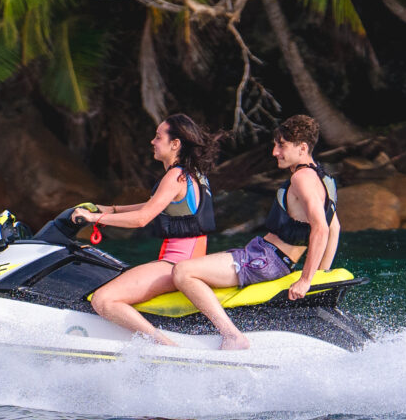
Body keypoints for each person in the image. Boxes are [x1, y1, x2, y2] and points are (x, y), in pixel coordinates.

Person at [169, 115, 339, 351]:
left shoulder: (301, 178)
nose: (274, 152)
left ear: (302, 148)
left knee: (182, 271)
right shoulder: (325, 179)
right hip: (266, 257)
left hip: (265, 260)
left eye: (282, 145)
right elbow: (334, 227)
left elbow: (321, 228)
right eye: (275, 144)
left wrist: (307, 280)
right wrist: (323, 274)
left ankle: (232, 336)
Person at [72, 113, 218, 345]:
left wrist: (94, 218)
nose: (152, 141)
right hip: (182, 261)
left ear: (175, 144)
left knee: (103, 299)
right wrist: (111, 209)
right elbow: (155, 204)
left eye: (158, 137)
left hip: (175, 265)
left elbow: (142, 218)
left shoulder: (175, 176)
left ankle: (166, 347)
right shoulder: (192, 175)